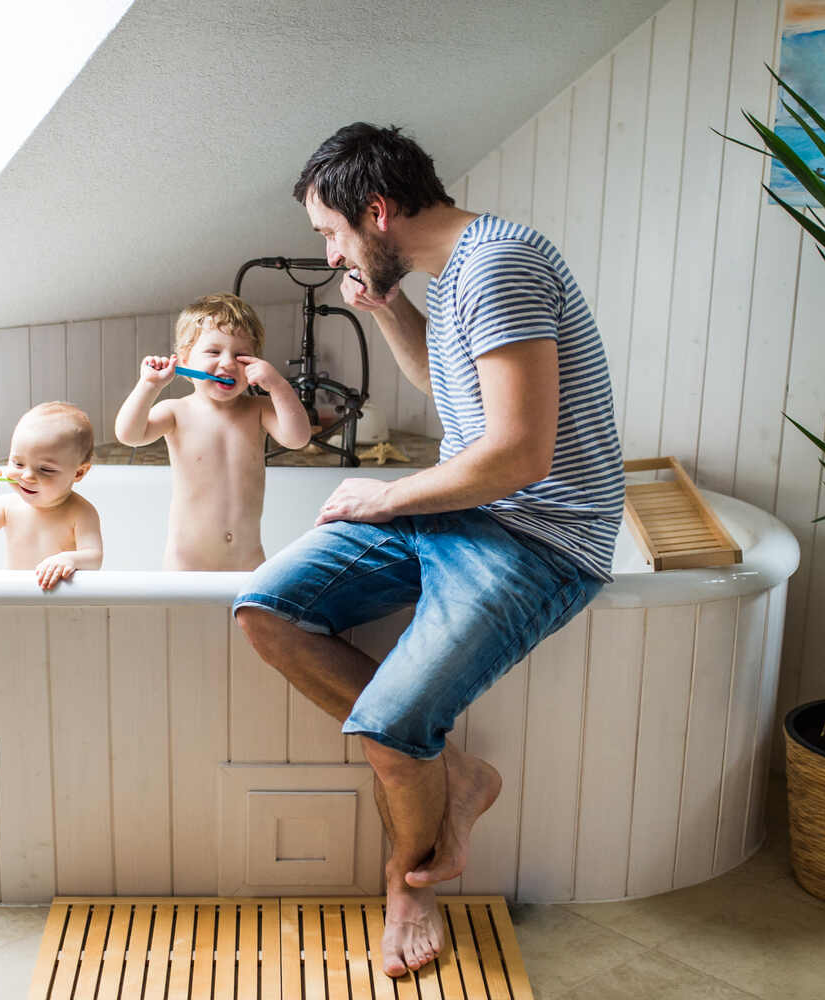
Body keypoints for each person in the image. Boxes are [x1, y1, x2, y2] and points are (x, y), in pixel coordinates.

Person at [233, 123, 624, 977]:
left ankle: (408, 884)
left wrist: (386, 497)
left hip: (542, 534)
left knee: (388, 727)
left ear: (376, 211)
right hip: (467, 510)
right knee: (267, 610)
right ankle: (457, 773)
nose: (332, 255)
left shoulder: (500, 265)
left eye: (332, 235)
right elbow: (438, 383)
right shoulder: (451, 274)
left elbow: (522, 455)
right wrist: (389, 309)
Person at [113, 293, 312, 570]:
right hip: (187, 560)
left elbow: (298, 438)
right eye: (213, 352)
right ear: (184, 360)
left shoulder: (259, 409)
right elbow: (129, 434)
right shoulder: (176, 411)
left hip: (248, 558)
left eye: (241, 355)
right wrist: (149, 386)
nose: (228, 363)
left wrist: (278, 386)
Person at [0, 401, 103, 591]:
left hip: (59, 603)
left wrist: (68, 559)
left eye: (45, 469)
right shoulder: (7, 506)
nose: (27, 476)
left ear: (78, 473)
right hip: (13, 596)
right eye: (17, 464)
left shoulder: (81, 512)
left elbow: (94, 558)